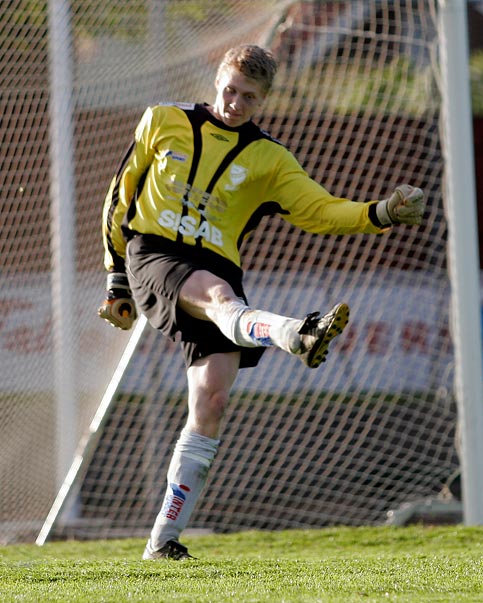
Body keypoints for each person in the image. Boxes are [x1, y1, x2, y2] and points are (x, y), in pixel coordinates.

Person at [98, 44, 425, 560]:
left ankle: (162, 542)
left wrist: (379, 212)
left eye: (248, 97)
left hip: (216, 265)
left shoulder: (270, 158)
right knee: (219, 296)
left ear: (264, 99)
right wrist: (116, 276)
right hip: (154, 253)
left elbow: (319, 210)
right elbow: (120, 196)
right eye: (229, 90)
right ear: (217, 81)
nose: (235, 103)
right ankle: (295, 333)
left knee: (212, 400)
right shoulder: (162, 120)